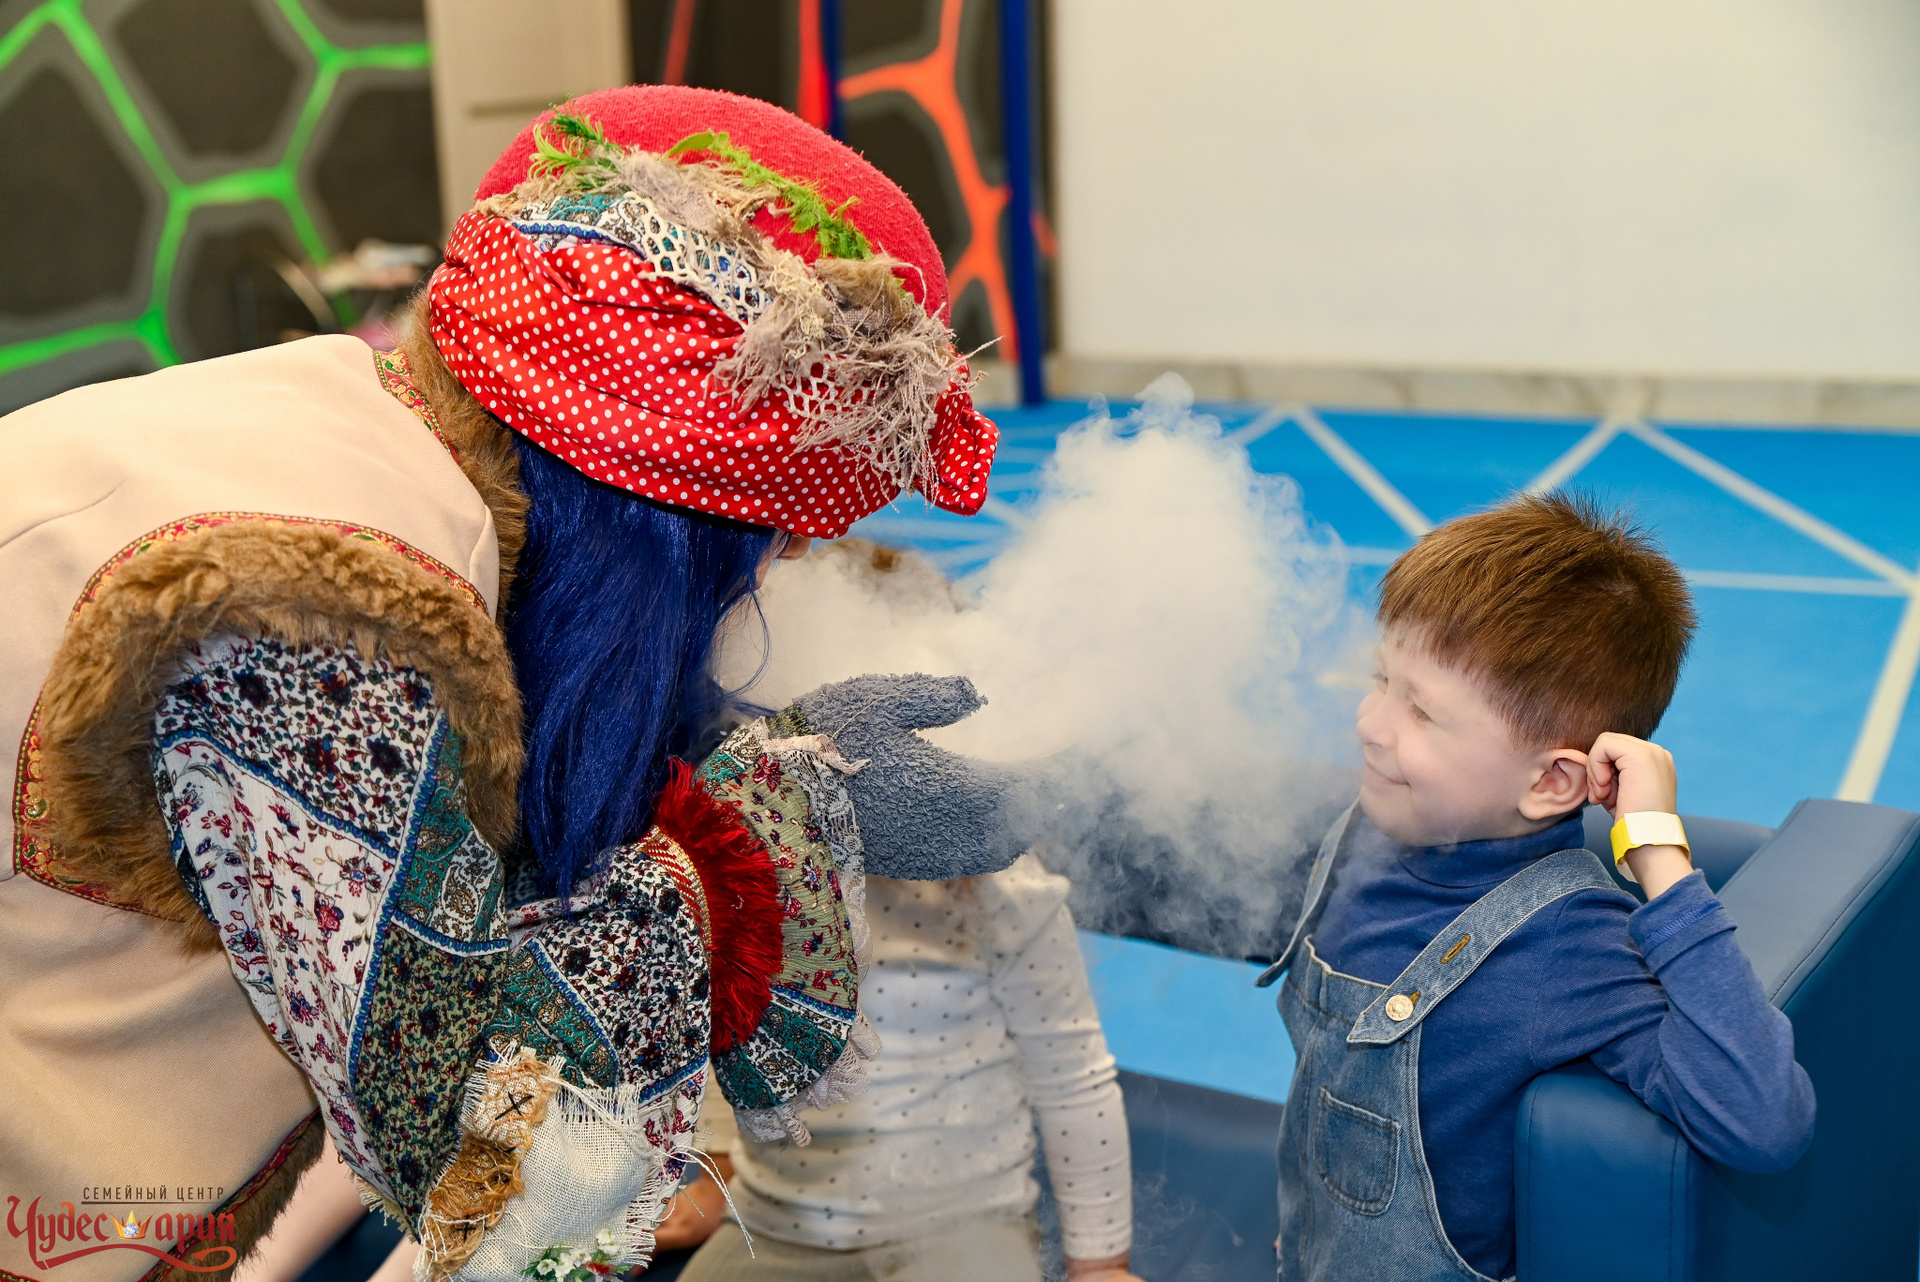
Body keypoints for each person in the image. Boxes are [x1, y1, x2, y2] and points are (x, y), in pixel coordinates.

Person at [0, 84, 1025, 1282]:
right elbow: (497, 1144)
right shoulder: (317, 613)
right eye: (763, 546)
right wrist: (780, 816)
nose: (774, 577)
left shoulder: (357, 417)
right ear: (656, 519)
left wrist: (704, 752)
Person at [1258, 493, 1815, 1282]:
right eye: (1381, 679)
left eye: (1422, 712)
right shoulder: (1361, 838)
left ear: (1553, 781)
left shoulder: (1564, 946)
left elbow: (1763, 1119)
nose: (1370, 723)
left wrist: (1657, 852)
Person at [678, 858, 1140, 1282]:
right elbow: (721, 1024)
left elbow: (1072, 1083)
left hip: (962, 1223)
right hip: (777, 1221)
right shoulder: (759, 851)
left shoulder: (1006, 886)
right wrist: (717, 1183)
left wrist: (1099, 1266)